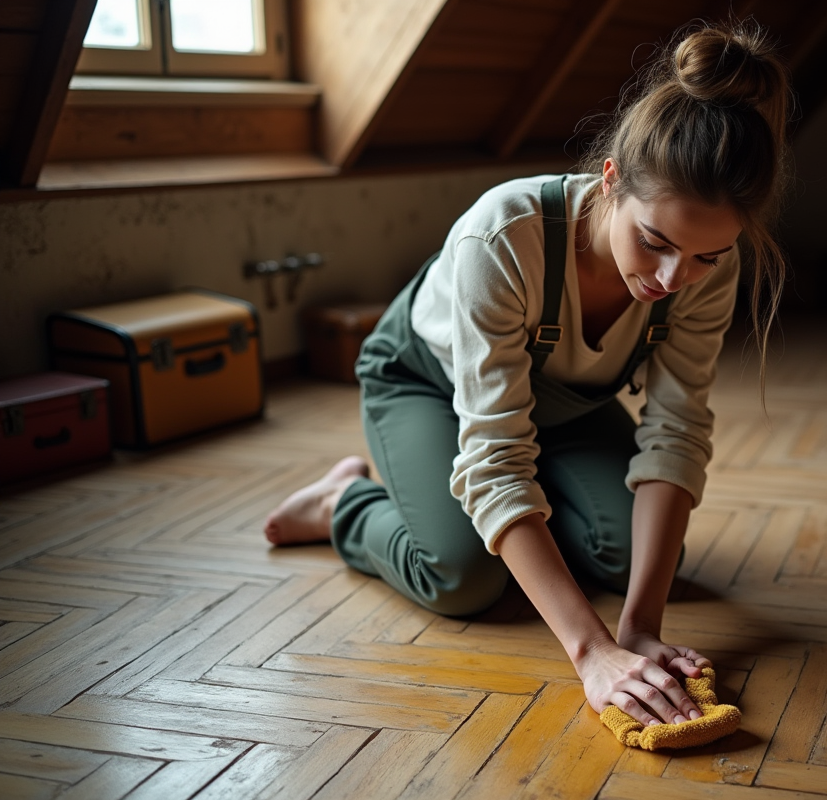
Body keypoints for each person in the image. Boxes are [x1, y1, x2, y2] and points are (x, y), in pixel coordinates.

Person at [264, 21, 790, 731]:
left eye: (705, 257)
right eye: (655, 242)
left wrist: (637, 628)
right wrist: (592, 651)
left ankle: (520, 536)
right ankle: (343, 506)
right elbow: (495, 455)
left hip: (563, 405)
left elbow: (677, 431)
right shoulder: (503, 235)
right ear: (610, 183)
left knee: (627, 555)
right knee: (462, 576)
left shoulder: (705, 269)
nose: (674, 278)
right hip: (428, 384)